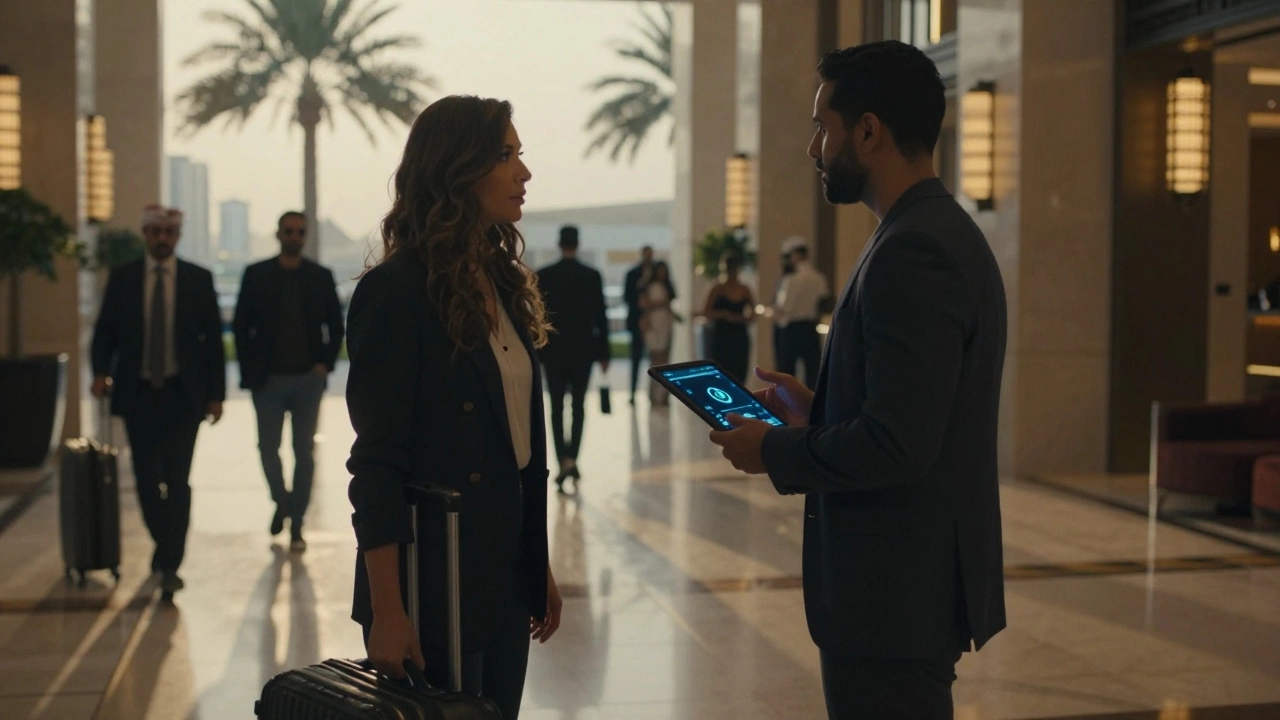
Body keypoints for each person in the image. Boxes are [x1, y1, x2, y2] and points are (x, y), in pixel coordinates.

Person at [709, 41, 1007, 719]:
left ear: (867, 130)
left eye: (823, 127)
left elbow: (900, 445)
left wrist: (774, 451)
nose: (814, 148)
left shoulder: (914, 250)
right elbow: (917, 410)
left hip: (893, 595)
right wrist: (822, 409)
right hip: (903, 593)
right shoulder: (928, 231)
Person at [345, 95, 563, 720]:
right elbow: (378, 462)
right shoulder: (395, 293)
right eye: (505, 156)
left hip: (500, 578)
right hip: (431, 583)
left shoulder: (504, 284)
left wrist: (535, 561)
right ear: (456, 168)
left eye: (520, 155)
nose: (523, 172)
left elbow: (518, 444)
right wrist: (389, 611)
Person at [90, 204, 226, 602]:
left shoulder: (198, 280)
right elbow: (105, 334)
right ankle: (165, 544)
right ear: (145, 235)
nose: (162, 238)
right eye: (155, 231)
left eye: (168, 231)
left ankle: (170, 564)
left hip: (183, 397)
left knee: (178, 479)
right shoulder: (124, 278)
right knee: (148, 480)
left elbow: (213, 344)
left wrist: (216, 395)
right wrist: (100, 372)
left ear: (177, 236)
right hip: (138, 395)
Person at [233, 210, 345, 552]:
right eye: (288, 231)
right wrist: (251, 371)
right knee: (267, 448)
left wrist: (324, 365)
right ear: (278, 233)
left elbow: (336, 325)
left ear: (305, 235)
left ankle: (296, 522)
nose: (294, 236)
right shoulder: (256, 275)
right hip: (268, 380)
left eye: (299, 231)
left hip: (307, 380)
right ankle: (281, 501)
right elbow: (241, 325)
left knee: (304, 452)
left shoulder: (320, 277)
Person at [536, 225, 610, 493]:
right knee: (578, 406)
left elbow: (539, 318)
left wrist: (538, 352)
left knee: (556, 406)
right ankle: (572, 458)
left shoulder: (544, 276)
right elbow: (599, 316)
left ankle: (562, 460)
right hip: (583, 350)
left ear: (559, 243)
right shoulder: (591, 276)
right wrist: (604, 353)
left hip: (553, 350)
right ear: (578, 243)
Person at [775, 236, 830, 389]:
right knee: (812, 373)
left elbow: (784, 308)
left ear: (795, 255)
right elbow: (823, 302)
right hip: (810, 328)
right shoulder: (819, 277)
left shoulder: (792, 279)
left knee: (786, 373)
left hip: (792, 329)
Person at [703, 253, 755, 383]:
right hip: (721, 335)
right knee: (720, 372)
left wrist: (737, 318)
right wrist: (723, 314)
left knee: (739, 373)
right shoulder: (716, 288)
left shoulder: (745, 289)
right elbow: (707, 312)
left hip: (739, 335)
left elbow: (753, 315)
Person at [623, 247, 657, 404]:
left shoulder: (657, 274)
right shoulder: (633, 274)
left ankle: (655, 394)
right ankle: (633, 392)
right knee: (635, 358)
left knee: (656, 358)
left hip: (655, 322)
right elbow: (627, 297)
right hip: (637, 321)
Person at [640, 261, 676, 406]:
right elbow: (644, 304)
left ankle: (663, 395)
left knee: (664, 359)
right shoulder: (649, 287)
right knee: (656, 358)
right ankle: (653, 394)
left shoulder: (667, 287)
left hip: (665, 323)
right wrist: (661, 303)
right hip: (654, 323)